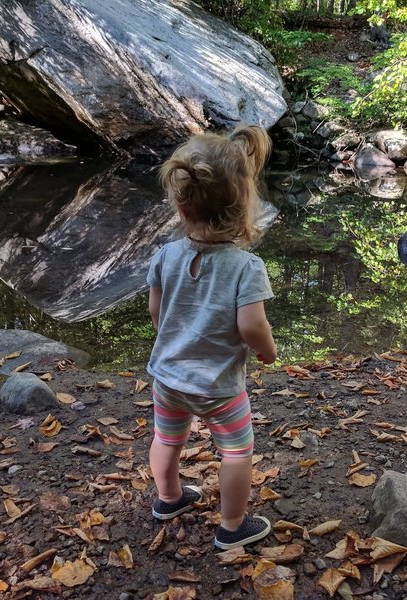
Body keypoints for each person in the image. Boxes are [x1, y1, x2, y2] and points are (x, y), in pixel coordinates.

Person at [145, 124, 278, 550]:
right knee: (237, 451)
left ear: (182, 206)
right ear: (243, 205)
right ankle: (233, 525)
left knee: (167, 438)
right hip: (219, 386)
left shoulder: (165, 255)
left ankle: (169, 499)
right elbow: (252, 326)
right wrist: (266, 350)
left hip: (167, 378)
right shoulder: (244, 267)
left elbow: (156, 310)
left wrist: (172, 339)